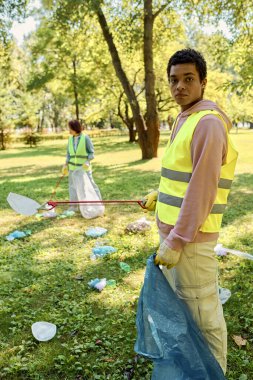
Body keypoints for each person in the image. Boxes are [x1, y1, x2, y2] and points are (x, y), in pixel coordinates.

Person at [143, 48, 238, 374]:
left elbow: (203, 189)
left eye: (188, 79)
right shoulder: (185, 118)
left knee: (203, 316)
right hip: (174, 238)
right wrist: (161, 195)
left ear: (203, 82)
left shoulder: (208, 124)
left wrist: (178, 240)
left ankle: (213, 373)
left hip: (191, 244)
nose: (179, 86)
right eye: (173, 80)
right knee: (183, 312)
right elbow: (187, 174)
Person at [62, 120, 102, 211]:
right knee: (72, 187)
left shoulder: (85, 138)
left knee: (91, 185)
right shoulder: (70, 139)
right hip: (72, 167)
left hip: (83, 168)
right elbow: (68, 153)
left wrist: (88, 161)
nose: (69, 130)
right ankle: (74, 206)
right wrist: (65, 164)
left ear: (75, 128)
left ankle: (98, 203)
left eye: (70, 128)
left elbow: (91, 153)